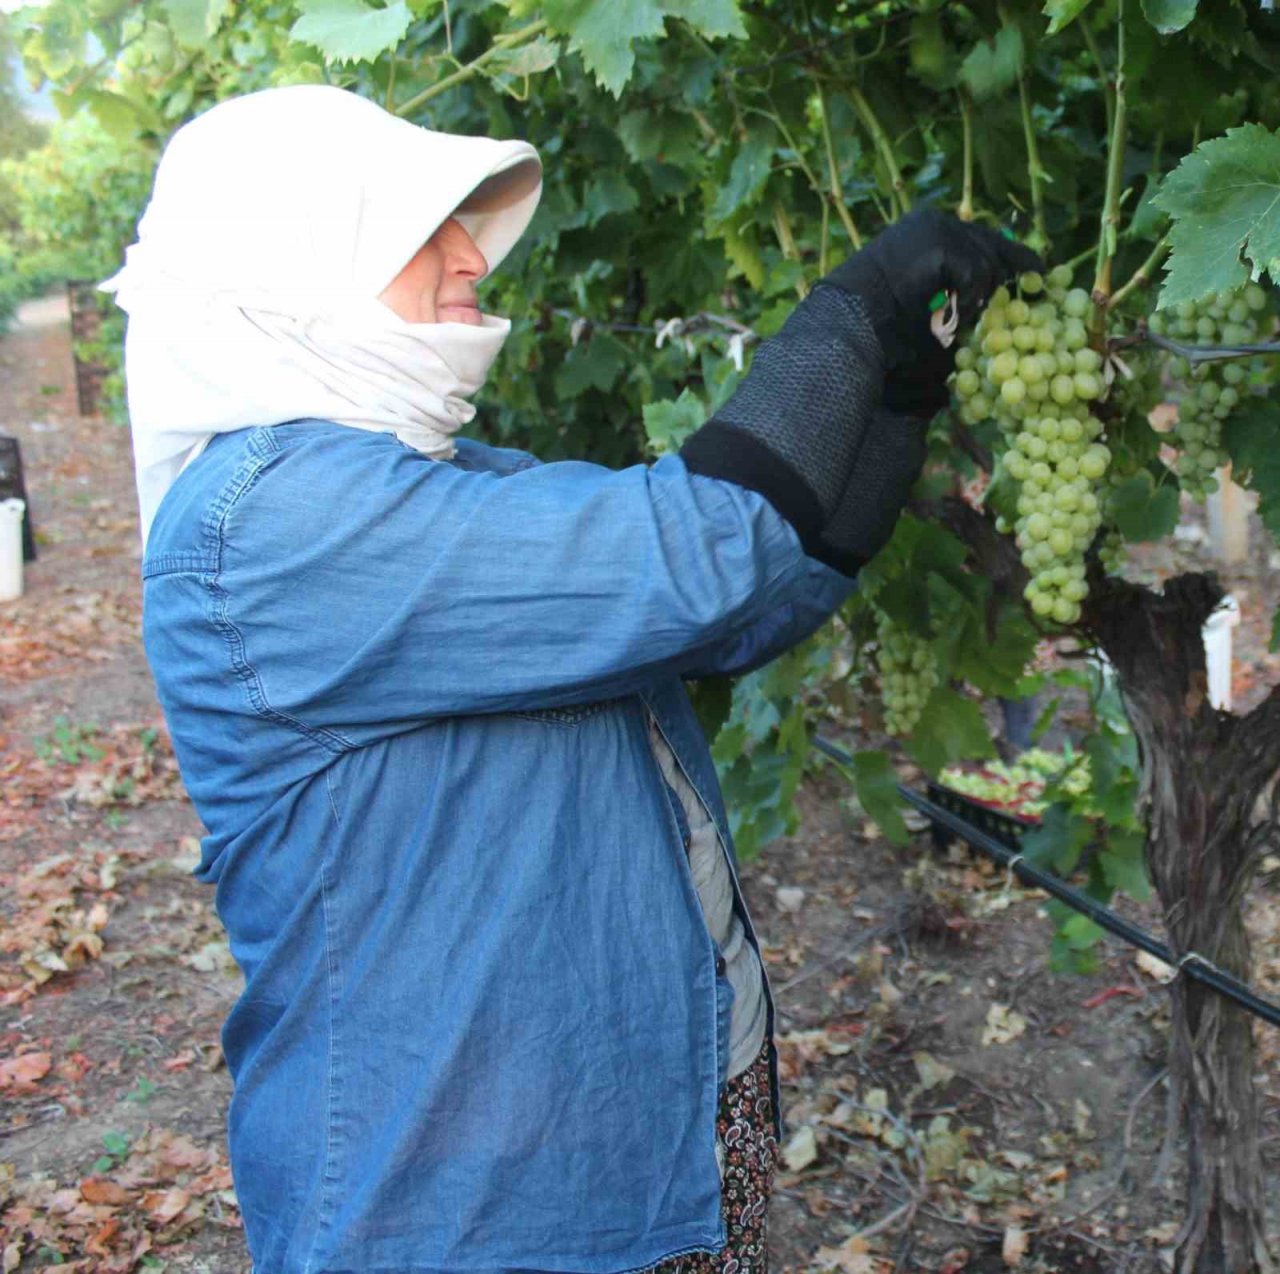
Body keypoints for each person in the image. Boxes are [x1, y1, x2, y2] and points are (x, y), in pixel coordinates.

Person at [105, 85, 1037, 1274]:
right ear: (291, 252)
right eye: (423, 228)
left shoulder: (435, 475)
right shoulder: (272, 524)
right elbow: (696, 554)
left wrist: (898, 393)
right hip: (466, 1207)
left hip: (647, 1130)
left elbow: (744, 609)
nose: (469, 256)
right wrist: (852, 311)